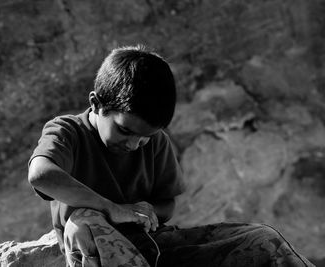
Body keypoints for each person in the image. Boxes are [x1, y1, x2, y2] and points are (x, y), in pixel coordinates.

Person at [28, 45, 315, 267]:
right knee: (84, 220)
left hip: (156, 248)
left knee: (263, 239)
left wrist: (147, 212)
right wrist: (111, 208)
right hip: (99, 251)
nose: (134, 144)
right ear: (97, 103)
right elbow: (41, 174)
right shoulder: (67, 131)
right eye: (125, 131)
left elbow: (166, 203)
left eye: (145, 137)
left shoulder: (154, 143)